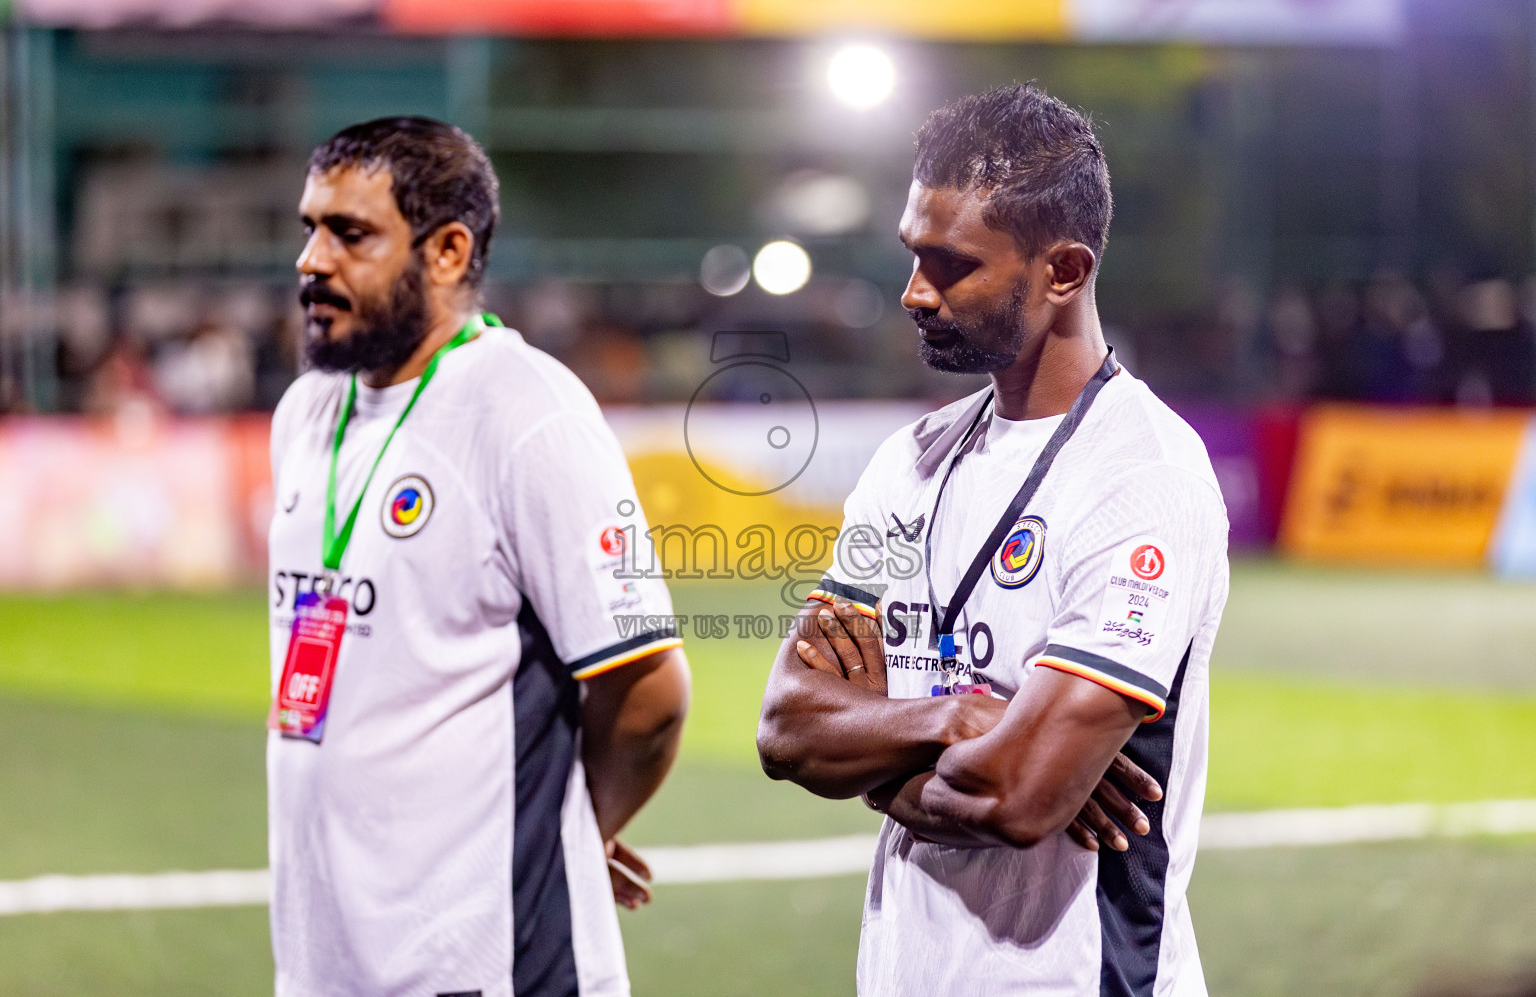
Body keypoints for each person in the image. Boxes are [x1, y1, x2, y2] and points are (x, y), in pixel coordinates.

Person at [757, 83, 1229, 996]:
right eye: (912, 255)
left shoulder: (1144, 474)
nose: (914, 292)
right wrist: (959, 718)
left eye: (952, 265)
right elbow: (789, 727)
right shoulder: (911, 460)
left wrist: (881, 755)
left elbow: (1014, 798)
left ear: (1063, 272)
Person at [267, 116, 689, 997]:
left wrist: (571, 832)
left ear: (449, 252)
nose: (312, 259)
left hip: (487, 967)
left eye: (350, 234)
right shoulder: (307, 413)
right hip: (327, 966)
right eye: (309, 228)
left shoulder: (526, 409)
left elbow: (647, 690)